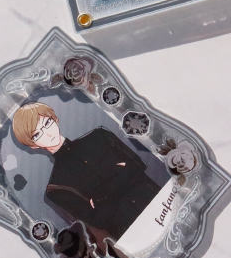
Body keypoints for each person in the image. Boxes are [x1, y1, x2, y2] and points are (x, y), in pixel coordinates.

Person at [12, 102, 165, 247]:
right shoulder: (56, 187)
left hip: (161, 201)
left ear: (55, 119)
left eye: (47, 123)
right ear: (33, 145)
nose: (47, 133)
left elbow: (137, 165)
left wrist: (98, 198)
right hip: (134, 234)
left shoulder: (99, 136)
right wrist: (119, 173)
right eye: (37, 134)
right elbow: (99, 220)